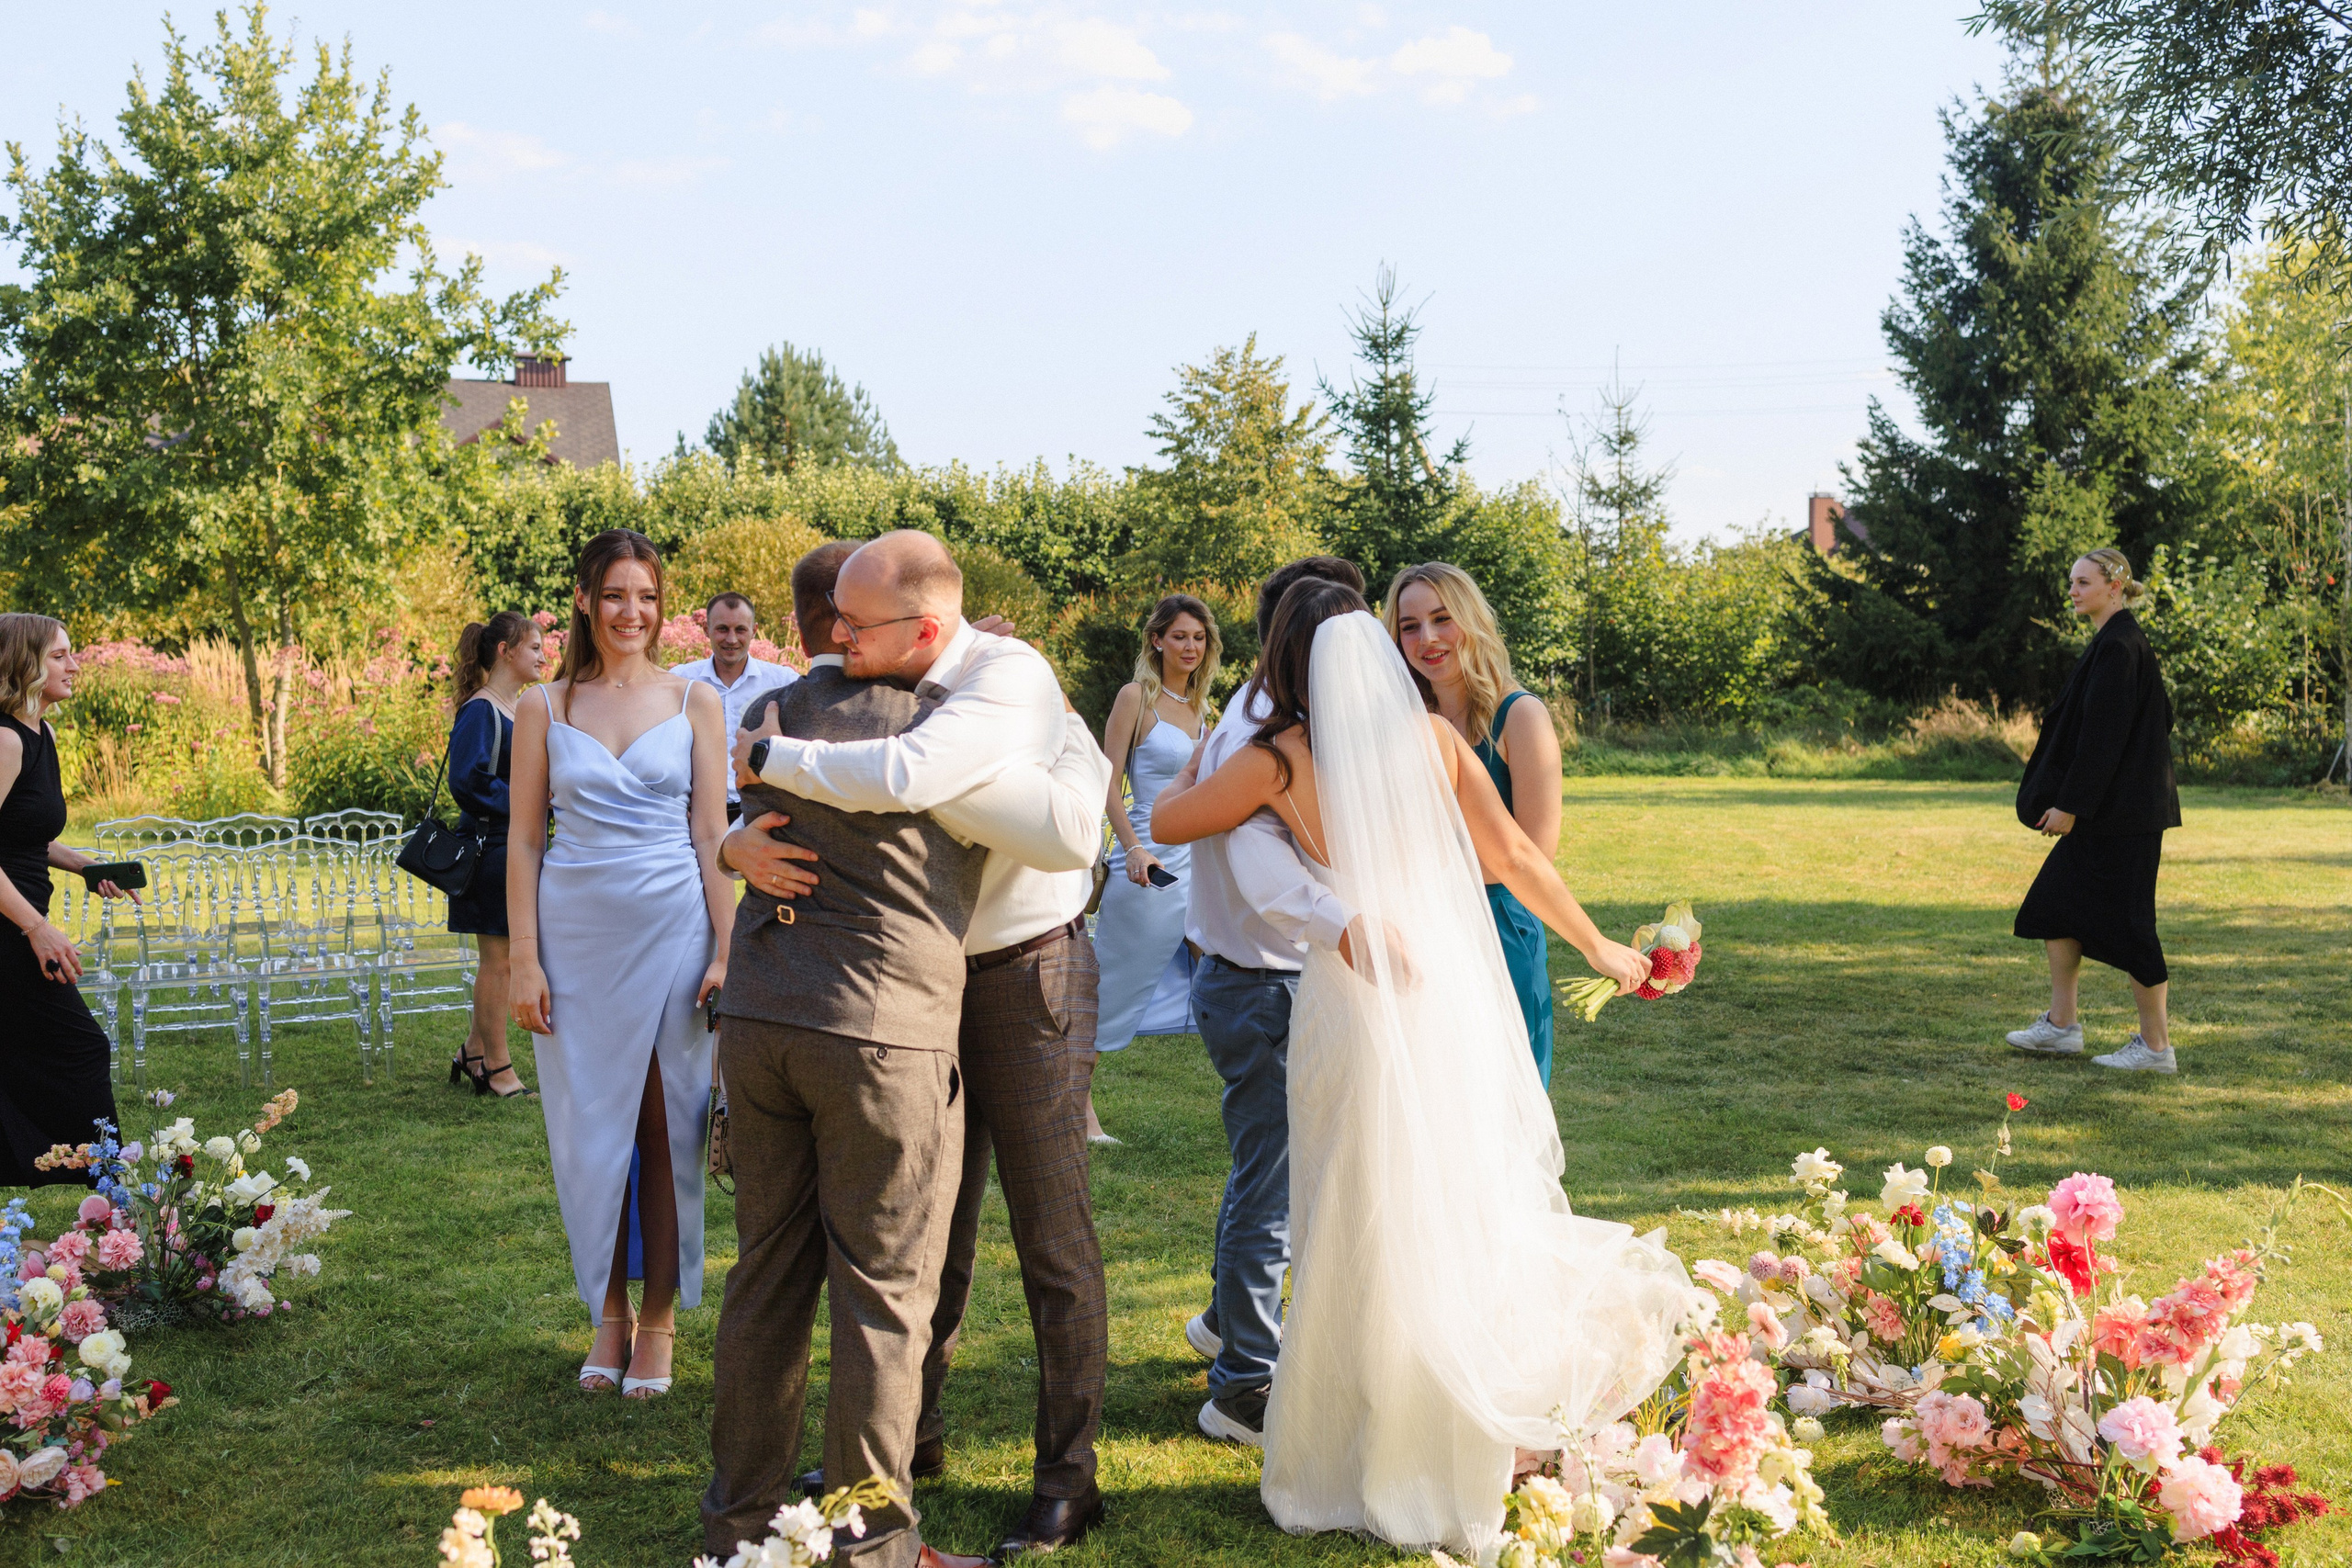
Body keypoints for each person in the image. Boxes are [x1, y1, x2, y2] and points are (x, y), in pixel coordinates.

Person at [1151, 580, 1687, 1554]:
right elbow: (1516, 856)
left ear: (1283, 661)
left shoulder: (1276, 762)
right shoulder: (1435, 741)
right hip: (1445, 985)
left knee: (1352, 1204)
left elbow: (1170, 823)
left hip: (1348, 997)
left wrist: (1208, 763)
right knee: (1457, 1192)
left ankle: (1355, 1441)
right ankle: (1459, 1424)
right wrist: (1599, 944)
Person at [704, 540, 1106, 1568]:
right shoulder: (862, 700)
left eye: (857, 624)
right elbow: (786, 804)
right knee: (919, 1250)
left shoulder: (995, 687)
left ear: (922, 629)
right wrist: (735, 840)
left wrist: (778, 766)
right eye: (835, 619)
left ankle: (1065, 1478)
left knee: (1048, 1234)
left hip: (1018, 971)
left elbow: (1063, 831)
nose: (838, 638)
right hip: (896, 996)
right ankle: (888, 1477)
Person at [507, 529, 734, 1399]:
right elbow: (525, 841)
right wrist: (524, 960)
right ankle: (608, 1313)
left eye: (645, 595)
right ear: (583, 600)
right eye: (613, 595)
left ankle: (661, 1318)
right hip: (573, 941)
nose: (630, 612)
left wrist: (728, 947)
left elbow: (711, 835)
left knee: (669, 1126)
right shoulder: (543, 706)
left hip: (675, 930)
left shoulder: (696, 701)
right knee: (587, 1132)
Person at [1148, 555, 1363, 1448]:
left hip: (1248, 974)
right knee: (1271, 1188)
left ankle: (1220, 1322)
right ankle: (1241, 1384)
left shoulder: (1249, 710)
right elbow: (1256, 870)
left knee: (1266, 1172)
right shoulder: (1264, 740)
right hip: (1263, 981)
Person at [1384, 563, 1563, 1088]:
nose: (1427, 638)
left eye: (1443, 619)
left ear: (1473, 620)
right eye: (1410, 626)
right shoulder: (1403, 722)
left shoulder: (1521, 716)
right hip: (1416, 930)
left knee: (1508, 1094)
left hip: (1498, 927)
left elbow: (1534, 856)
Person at [2007, 547, 2183, 1074]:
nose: (2073, 591)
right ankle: (2062, 1027)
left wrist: (2071, 805)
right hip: (2112, 812)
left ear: (2115, 586)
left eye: (2083, 582)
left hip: (2123, 818)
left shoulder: (2121, 646)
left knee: (2132, 926)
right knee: (2053, 906)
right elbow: (2160, 716)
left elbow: (2102, 739)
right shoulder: (2114, 641)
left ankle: (2156, 1049)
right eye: (2071, 582)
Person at [0, 615, 130, 1188]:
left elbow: (25, 835)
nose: (74, 666)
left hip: (21, 919)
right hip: (11, 927)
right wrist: (37, 929)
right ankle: (111, 1189)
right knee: (81, 1047)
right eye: (59, 656)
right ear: (23, 663)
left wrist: (86, 866)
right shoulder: (5, 740)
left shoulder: (41, 735)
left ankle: (105, 1186)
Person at [1087, 593, 1221, 1132]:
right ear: (1157, 640)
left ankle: (1250, 1094)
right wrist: (1132, 849)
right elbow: (1106, 783)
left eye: (1199, 637)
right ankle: (1077, 1105)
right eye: (1180, 636)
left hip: (1197, 858)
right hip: (1147, 862)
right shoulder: (1135, 698)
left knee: (1222, 973)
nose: (1190, 647)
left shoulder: (1202, 707)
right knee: (1114, 984)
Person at [445, 611, 540, 1100]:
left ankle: (473, 1051)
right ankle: (497, 1069)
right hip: (491, 851)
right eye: (534, 647)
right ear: (506, 651)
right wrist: (528, 801)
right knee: (498, 962)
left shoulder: (513, 707)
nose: (543, 655)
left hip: (512, 847)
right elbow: (466, 781)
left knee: (501, 958)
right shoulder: (481, 710)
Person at [672, 591, 797, 821]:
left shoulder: (783, 682)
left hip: (760, 811)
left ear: (754, 631)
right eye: (722, 629)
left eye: (740, 630)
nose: (731, 639)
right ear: (706, 629)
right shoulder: (680, 681)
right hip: (698, 813)